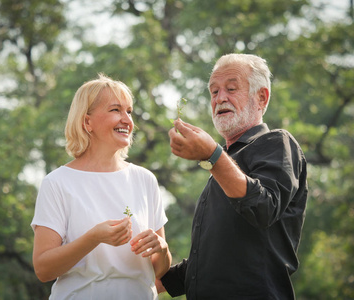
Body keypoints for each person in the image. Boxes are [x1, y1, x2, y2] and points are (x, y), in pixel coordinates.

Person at [159, 53, 308, 299]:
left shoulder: (277, 142)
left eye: (231, 88)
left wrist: (212, 155)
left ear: (261, 97)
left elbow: (263, 207)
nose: (220, 98)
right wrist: (144, 280)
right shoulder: (221, 164)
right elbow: (214, 262)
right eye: (214, 92)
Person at [31, 74, 171, 300]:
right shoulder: (57, 183)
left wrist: (162, 249)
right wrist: (93, 238)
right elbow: (43, 269)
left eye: (129, 111)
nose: (127, 119)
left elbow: (158, 272)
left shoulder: (145, 179)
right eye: (116, 110)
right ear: (87, 122)